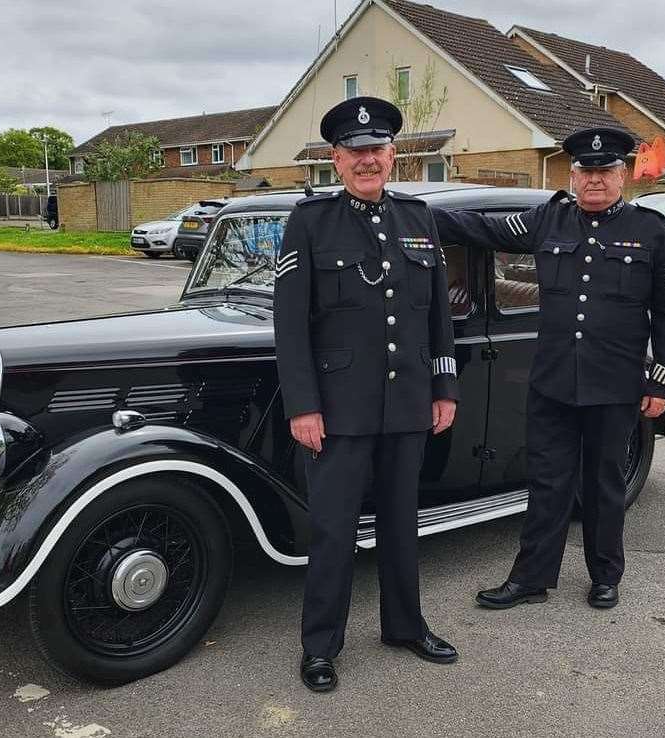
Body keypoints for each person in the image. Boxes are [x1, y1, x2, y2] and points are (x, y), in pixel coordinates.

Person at [432, 127, 665, 611]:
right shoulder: (548, 219)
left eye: (605, 171)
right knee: (547, 482)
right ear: (572, 175)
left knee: (603, 483)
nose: (595, 180)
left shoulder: (650, 230)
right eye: (586, 171)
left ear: (623, 175)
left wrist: (662, 382)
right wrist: (403, 211)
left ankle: (606, 576)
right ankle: (531, 578)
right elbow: (477, 229)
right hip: (552, 383)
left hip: (615, 384)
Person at [273, 96, 460, 693]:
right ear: (336, 158)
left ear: (393, 155)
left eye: (376, 150)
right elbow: (290, 324)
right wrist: (303, 405)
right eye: (355, 152)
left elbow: (436, 319)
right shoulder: (310, 221)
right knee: (334, 530)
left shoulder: (418, 217)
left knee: (404, 523)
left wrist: (444, 385)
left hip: (407, 403)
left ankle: (405, 627)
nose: (367, 160)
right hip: (338, 410)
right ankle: (320, 646)